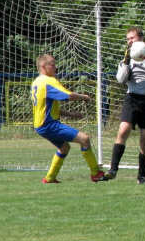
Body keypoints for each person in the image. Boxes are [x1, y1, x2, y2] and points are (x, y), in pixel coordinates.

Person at [103, 27, 145, 184]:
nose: (129, 41)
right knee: (123, 130)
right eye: (127, 39)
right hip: (132, 99)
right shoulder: (127, 58)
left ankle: (141, 176)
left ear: (141, 39)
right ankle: (113, 169)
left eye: (132, 38)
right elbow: (120, 79)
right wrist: (126, 61)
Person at [31, 54, 104, 183]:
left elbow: (48, 108)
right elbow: (69, 96)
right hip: (48, 124)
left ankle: (49, 178)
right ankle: (96, 173)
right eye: (52, 64)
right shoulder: (48, 81)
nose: (55, 67)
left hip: (40, 125)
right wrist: (84, 97)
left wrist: (71, 114)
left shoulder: (36, 82)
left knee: (64, 148)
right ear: (43, 66)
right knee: (84, 139)